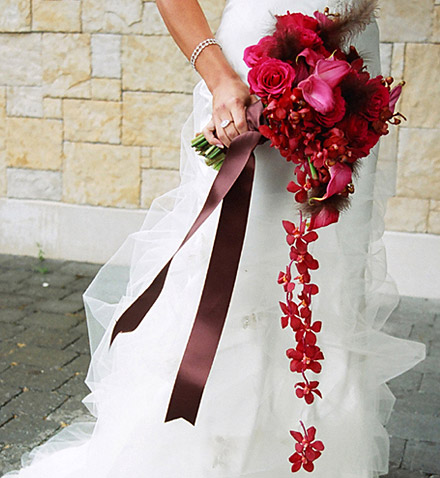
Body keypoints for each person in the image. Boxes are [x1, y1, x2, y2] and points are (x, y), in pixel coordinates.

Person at [2, 0, 426, 477]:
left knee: (334, 272)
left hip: (354, 65)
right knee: (241, 274)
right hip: (258, 64)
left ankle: (312, 455)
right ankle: (212, 456)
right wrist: (219, 76)